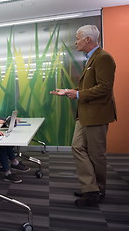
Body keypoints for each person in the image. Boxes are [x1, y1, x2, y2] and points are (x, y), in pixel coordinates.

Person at [50, 25, 116, 207]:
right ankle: (91, 187)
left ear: (88, 39)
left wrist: (78, 95)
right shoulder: (91, 59)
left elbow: (104, 88)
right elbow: (90, 88)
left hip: (97, 115)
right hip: (86, 114)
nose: (75, 42)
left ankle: (97, 191)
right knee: (77, 147)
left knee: (96, 155)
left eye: (78, 38)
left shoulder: (103, 58)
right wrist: (71, 91)